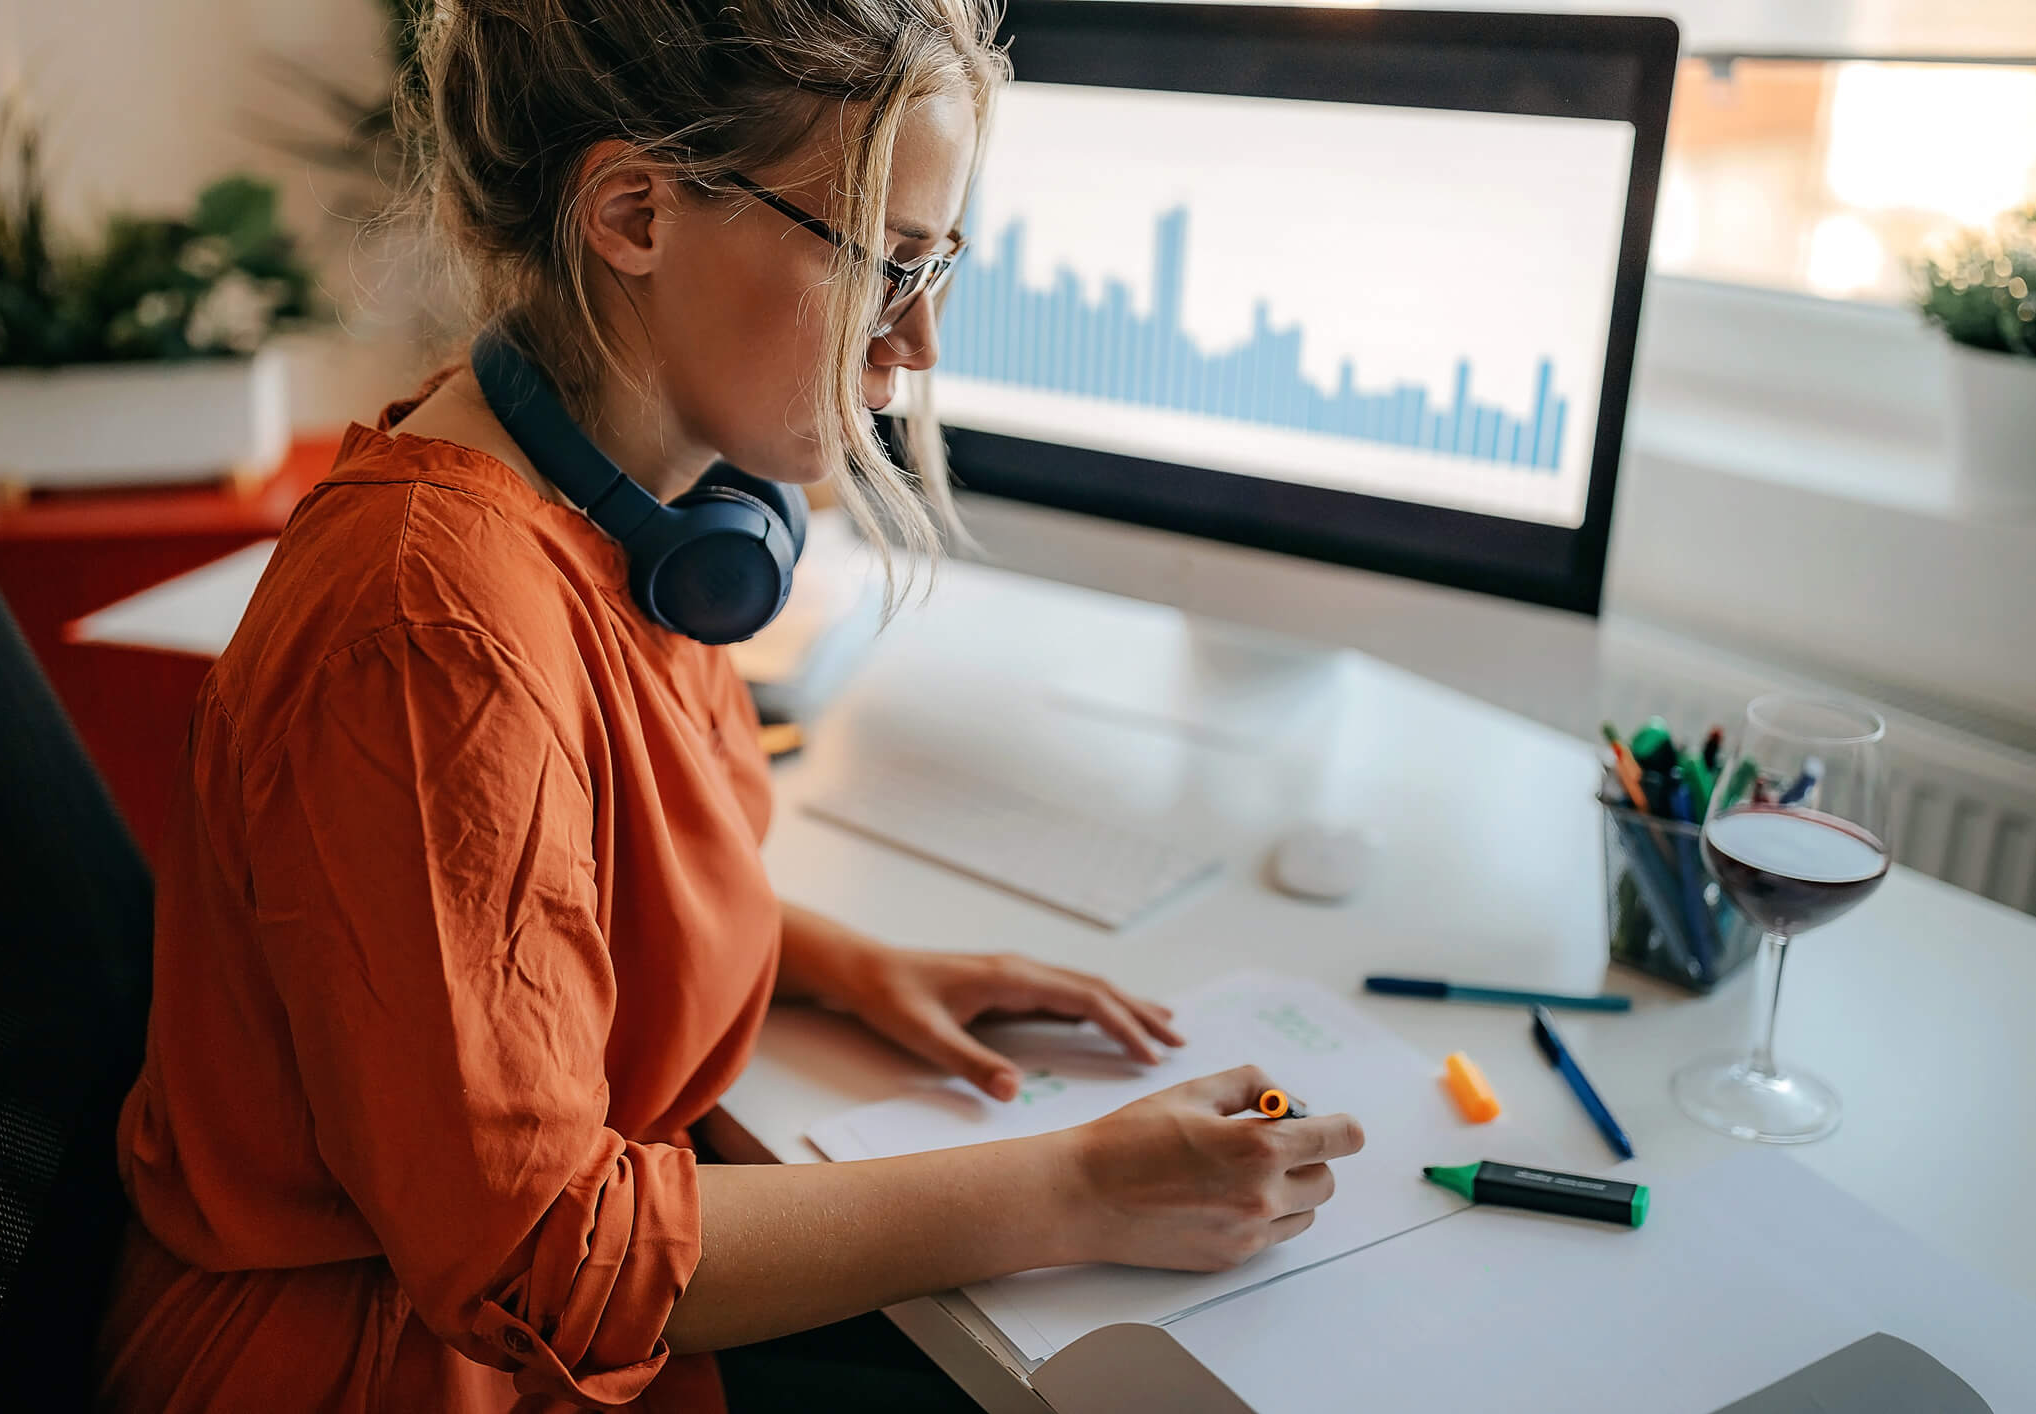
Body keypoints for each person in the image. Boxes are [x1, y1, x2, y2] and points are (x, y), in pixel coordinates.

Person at [96, 0, 1365, 1409]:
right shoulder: (434, 628)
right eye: (884, 262)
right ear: (633, 211)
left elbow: (534, 900)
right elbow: (540, 1256)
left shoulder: (620, 500)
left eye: (940, 264)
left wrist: (826, 961)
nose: (918, 342)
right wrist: (1081, 1183)